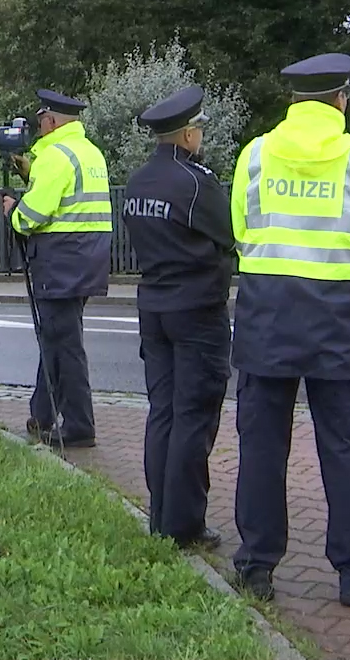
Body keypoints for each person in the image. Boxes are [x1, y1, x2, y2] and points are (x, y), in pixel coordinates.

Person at [230, 53, 350, 607]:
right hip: (337, 313)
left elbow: (241, 232)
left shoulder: (254, 153)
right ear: (340, 100)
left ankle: (256, 567)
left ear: (294, 101)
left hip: (266, 311)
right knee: (345, 447)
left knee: (260, 446)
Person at [121, 85, 233, 550]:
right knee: (194, 415)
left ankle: (160, 515)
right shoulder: (194, 183)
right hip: (197, 311)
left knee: (162, 412)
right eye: (199, 129)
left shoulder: (137, 182)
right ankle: (184, 525)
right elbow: (229, 236)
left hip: (154, 307)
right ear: (187, 135)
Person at [0, 89, 112, 449]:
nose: (37, 129)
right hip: (86, 258)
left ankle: (80, 424)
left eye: (40, 121)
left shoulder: (54, 157)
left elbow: (33, 216)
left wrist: (12, 212)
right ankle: (42, 414)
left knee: (66, 345)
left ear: (51, 121)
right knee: (56, 337)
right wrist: (31, 172)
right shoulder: (88, 152)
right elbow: (70, 195)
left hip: (60, 259)